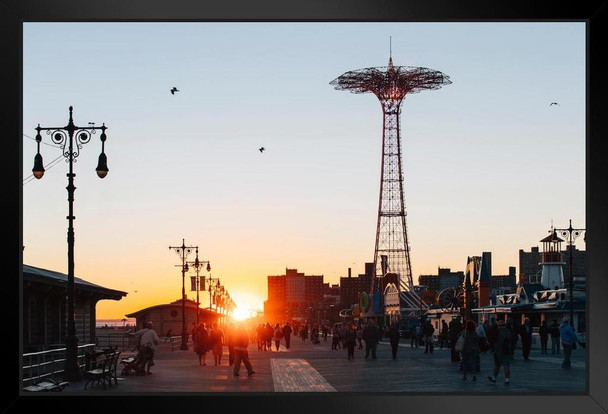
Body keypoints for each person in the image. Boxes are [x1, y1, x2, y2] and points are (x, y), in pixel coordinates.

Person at [488, 319, 513, 385]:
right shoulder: (508, 331)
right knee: (506, 366)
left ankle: (494, 378)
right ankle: (507, 379)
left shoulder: (498, 331)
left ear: (499, 326)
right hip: (507, 350)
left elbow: (494, 340)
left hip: (498, 351)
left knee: (497, 365)